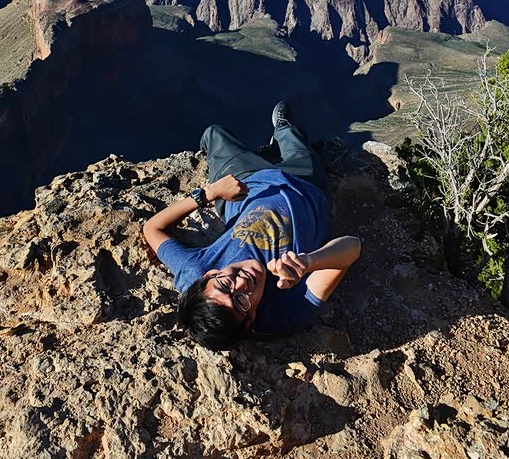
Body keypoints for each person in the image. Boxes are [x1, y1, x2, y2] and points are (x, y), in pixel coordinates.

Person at [143, 102, 361, 350]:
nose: (242, 284)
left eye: (224, 285)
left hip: (246, 185)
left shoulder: (194, 272)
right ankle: (282, 128)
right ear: (250, 320)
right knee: (299, 146)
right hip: (306, 187)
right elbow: (352, 248)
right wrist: (309, 262)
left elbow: (152, 229)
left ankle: (263, 151)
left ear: (209, 276)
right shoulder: (285, 310)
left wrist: (209, 193)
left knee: (214, 133)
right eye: (240, 302)